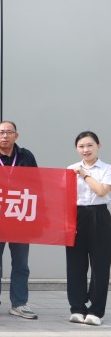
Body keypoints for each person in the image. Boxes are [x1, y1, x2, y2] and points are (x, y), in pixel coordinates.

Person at [0, 121, 38, 319]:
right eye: (1, 132)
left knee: (21, 263)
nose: (5, 136)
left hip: (19, 217)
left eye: (9, 132)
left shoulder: (26, 157)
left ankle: (19, 303)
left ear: (16, 135)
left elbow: (38, 185)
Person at [66, 131, 111, 326]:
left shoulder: (107, 169)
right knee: (75, 263)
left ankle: (96, 311)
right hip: (75, 215)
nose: (86, 149)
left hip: (99, 215)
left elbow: (101, 191)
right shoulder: (70, 169)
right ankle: (77, 307)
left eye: (90, 145)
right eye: (81, 146)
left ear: (98, 146)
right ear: (77, 149)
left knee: (100, 264)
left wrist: (84, 175)